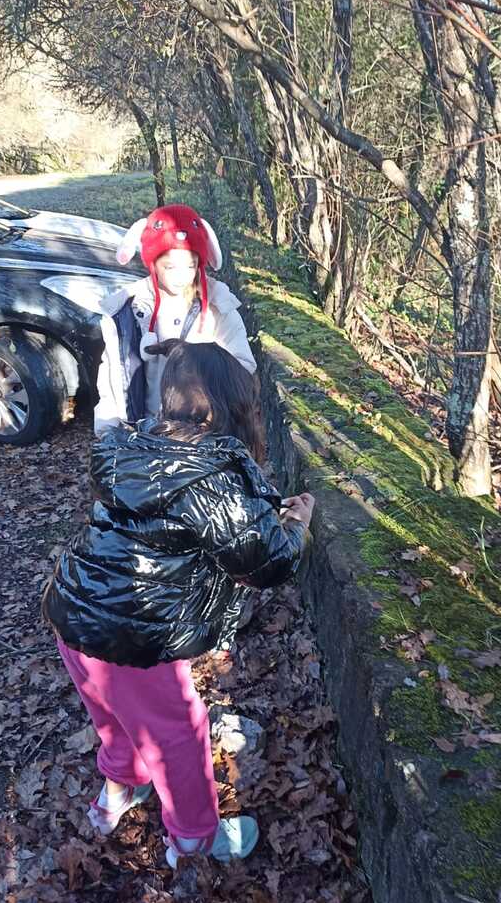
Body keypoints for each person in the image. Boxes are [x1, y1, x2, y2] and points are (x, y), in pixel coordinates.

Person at [42, 340, 314, 867]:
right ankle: (193, 839)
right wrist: (296, 526)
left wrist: (261, 510)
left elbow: (182, 522)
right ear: (230, 409)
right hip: (131, 634)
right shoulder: (213, 476)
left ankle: (120, 790)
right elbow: (267, 562)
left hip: (74, 612)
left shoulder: (135, 447)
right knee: (179, 733)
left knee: (114, 717)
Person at [94, 203, 256, 433]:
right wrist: (108, 431)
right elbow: (112, 377)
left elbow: (244, 369)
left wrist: (195, 359)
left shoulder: (218, 308)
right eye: (170, 267)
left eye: (190, 266)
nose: (181, 276)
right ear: (153, 263)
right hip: (143, 435)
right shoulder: (125, 312)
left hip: (204, 436)